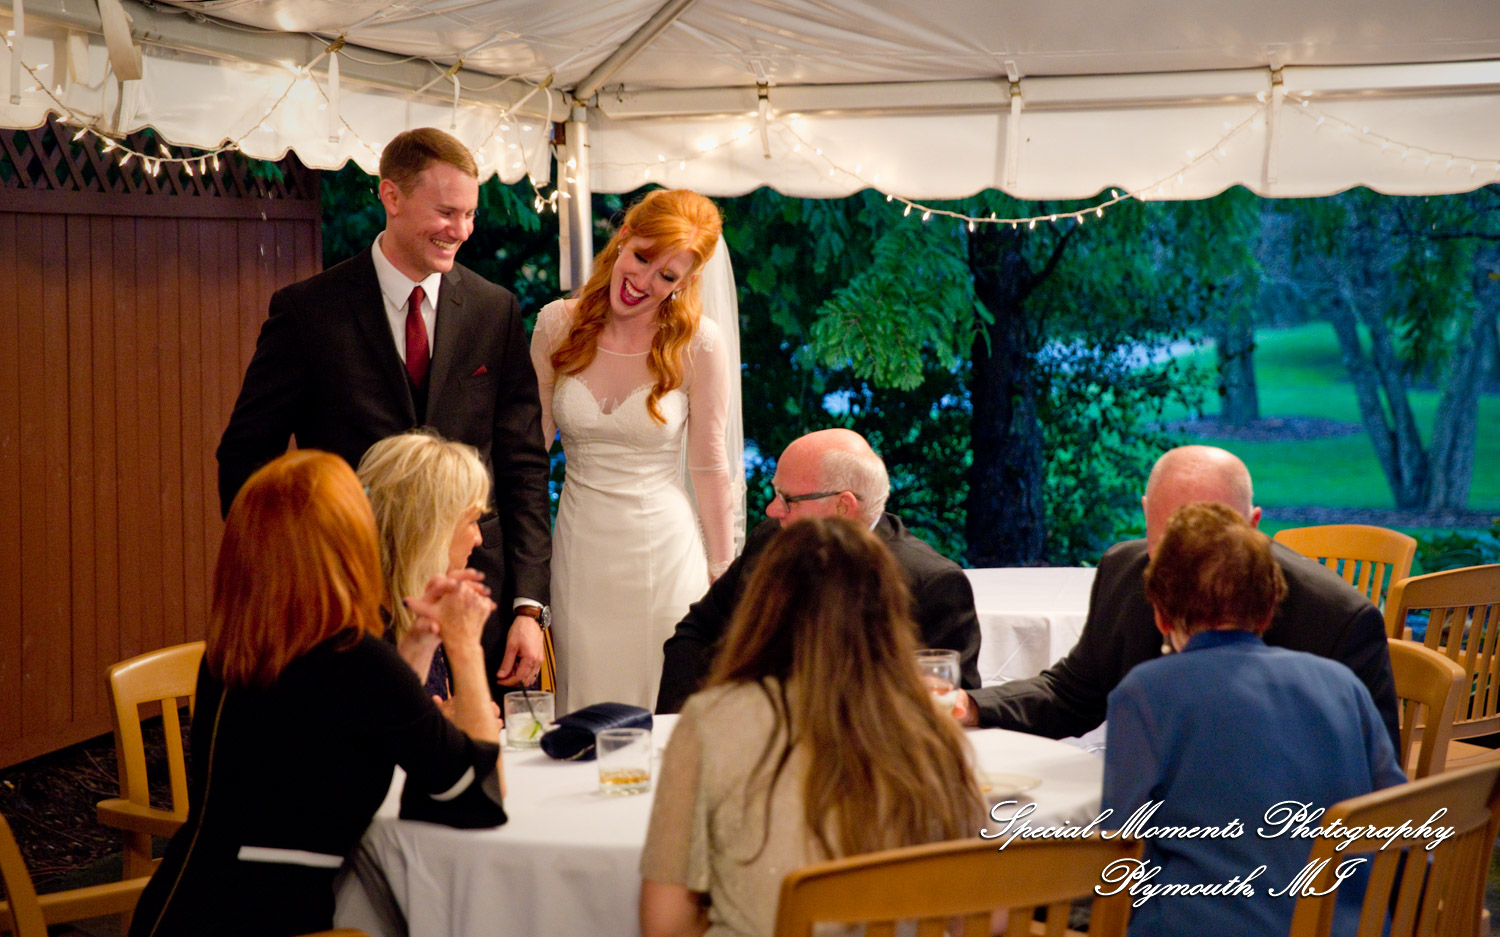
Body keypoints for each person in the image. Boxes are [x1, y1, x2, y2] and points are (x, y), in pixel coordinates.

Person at [215, 127, 551, 698]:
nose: (462, 231)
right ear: (391, 196)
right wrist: (293, 577)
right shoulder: (307, 312)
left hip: (475, 602)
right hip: (349, 603)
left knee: (469, 766)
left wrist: (529, 607)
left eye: (469, 215)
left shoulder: (495, 311)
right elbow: (246, 457)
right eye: (446, 212)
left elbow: (523, 464)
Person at [129, 451, 505, 937]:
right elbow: (479, 796)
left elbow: (363, 729)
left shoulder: (235, 653)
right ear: (346, 543)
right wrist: (465, 644)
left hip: (178, 909)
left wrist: (417, 645)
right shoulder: (354, 658)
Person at [640, 517, 984, 937]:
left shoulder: (712, 721)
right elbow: (988, 916)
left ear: (763, 607)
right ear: (889, 611)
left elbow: (664, 923)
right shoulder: (928, 721)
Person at [960, 445, 1400, 753]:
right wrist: (972, 705)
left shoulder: (1337, 620)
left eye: (1211, 539)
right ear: (1146, 515)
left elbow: (1375, 794)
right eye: (1169, 542)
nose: (1188, 566)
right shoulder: (1125, 573)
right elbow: (1073, 693)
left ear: (1253, 524)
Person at [1101, 502, 1403, 937]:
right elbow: (1398, 821)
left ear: (1159, 614)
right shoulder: (1343, 685)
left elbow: (1120, 851)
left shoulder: (1145, 692)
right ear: (1268, 610)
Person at [531, 189, 736, 712]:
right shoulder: (558, 324)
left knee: (660, 698)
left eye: (667, 276)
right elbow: (531, 451)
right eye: (642, 258)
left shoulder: (698, 344)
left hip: (663, 553)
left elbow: (710, 466)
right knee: (583, 701)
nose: (644, 282)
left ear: (687, 283)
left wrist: (722, 575)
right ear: (622, 238)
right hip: (580, 549)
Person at [656, 428, 982, 714]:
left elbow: (949, 706)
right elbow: (696, 632)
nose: (772, 510)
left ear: (843, 505)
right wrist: (687, 721)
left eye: (787, 499)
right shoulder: (770, 539)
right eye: (774, 493)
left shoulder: (932, 585)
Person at [357, 430, 490, 699]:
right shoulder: (363, 634)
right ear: (430, 529)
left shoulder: (421, 604)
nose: (478, 538)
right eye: (471, 521)